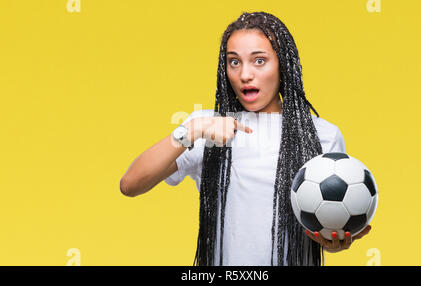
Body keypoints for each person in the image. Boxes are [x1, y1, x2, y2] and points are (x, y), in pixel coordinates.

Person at [120, 11, 371, 266]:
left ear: (282, 64)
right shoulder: (208, 127)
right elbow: (130, 185)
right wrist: (192, 130)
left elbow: (320, 225)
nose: (244, 74)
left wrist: (334, 240)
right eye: (234, 62)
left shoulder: (322, 135)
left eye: (259, 61)